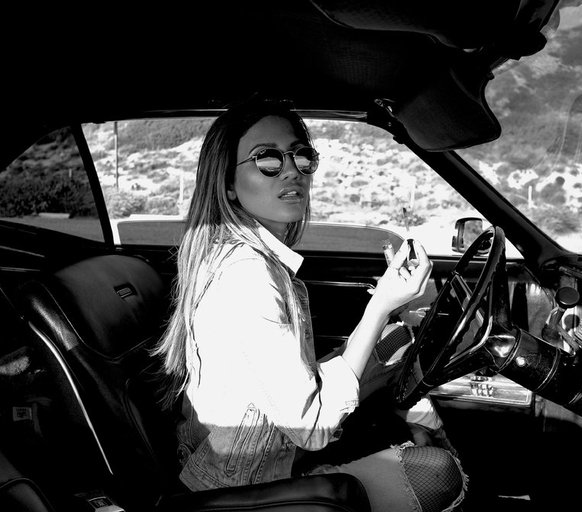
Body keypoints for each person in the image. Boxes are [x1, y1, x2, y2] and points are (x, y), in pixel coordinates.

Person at [153, 97, 467, 512]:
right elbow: (313, 426)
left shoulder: (252, 258)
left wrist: (388, 315)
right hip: (244, 486)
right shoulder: (246, 276)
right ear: (228, 183)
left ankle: (422, 431)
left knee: (398, 341)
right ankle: (431, 445)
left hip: (268, 449)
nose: (291, 171)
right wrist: (380, 305)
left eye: (301, 156)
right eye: (267, 159)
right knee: (439, 473)